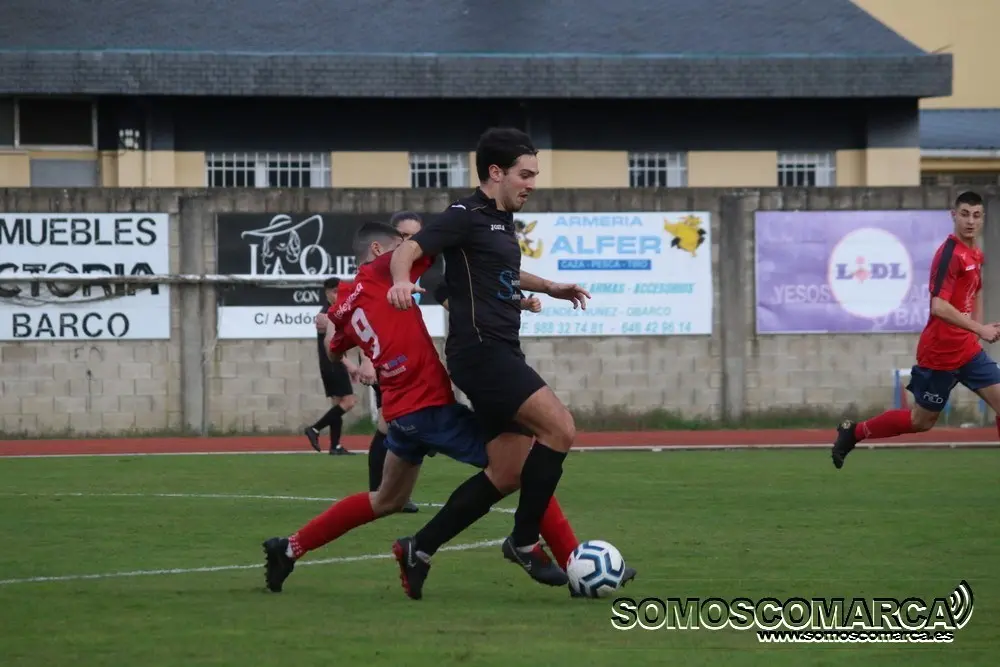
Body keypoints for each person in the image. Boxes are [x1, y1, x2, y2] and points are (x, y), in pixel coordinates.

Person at [261, 222, 582, 598]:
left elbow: (334, 350)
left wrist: (332, 328)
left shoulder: (348, 300)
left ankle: (289, 548)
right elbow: (441, 241)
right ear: (378, 250)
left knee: (386, 499)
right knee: (521, 464)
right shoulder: (382, 269)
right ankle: (574, 563)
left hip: (401, 414)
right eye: (400, 245)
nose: (408, 251)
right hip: (427, 407)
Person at [386, 127, 600, 590]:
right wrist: (401, 280)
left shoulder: (500, 222)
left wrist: (550, 287)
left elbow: (503, 270)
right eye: (526, 174)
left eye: (535, 175)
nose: (532, 184)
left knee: (505, 472)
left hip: (499, 350)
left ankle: (419, 548)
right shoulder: (464, 214)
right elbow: (409, 249)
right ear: (496, 172)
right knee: (560, 428)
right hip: (481, 353)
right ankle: (523, 541)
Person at [832, 190, 1000, 468]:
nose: (970, 221)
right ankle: (854, 432)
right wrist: (979, 329)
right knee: (920, 421)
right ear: (953, 216)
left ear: (983, 218)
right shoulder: (949, 254)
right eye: (964, 214)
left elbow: (975, 292)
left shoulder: (975, 254)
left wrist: (976, 332)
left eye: (976, 215)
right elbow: (938, 306)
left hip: (968, 352)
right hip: (940, 355)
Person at [304, 277, 358, 456]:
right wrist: (350, 365)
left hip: (329, 365)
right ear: (327, 293)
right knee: (349, 402)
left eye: (339, 292)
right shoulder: (326, 315)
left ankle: (335, 446)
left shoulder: (333, 313)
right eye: (334, 292)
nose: (337, 296)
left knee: (337, 404)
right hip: (333, 364)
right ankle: (314, 429)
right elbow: (331, 345)